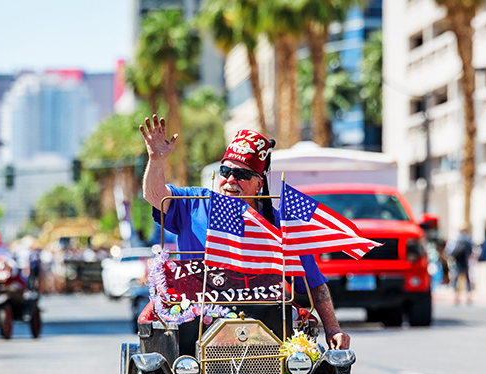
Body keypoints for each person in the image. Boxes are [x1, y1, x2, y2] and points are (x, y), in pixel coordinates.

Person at [139, 115, 350, 350]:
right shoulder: (194, 202)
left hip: (266, 324)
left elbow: (314, 283)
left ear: (259, 183)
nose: (230, 180)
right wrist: (156, 160)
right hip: (196, 320)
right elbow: (154, 196)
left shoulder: (282, 223)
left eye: (241, 175)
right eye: (225, 170)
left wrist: (333, 328)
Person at [446, 225, 474, 305]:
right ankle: (468, 296)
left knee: (455, 279)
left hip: (456, 261)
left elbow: (449, 251)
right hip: (464, 261)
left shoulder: (455, 239)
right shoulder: (467, 239)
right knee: (467, 279)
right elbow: (471, 251)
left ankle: (456, 297)